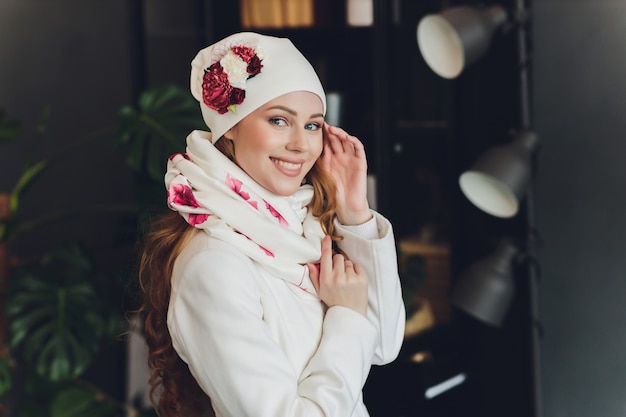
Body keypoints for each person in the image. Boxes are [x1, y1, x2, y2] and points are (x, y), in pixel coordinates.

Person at [138, 31, 405, 417]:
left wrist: (355, 214)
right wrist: (346, 314)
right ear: (230, 126)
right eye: (279, 120)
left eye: (313, 125)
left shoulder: (303, 230)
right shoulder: (215, 265)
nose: (301, 144)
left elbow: (381, 344)